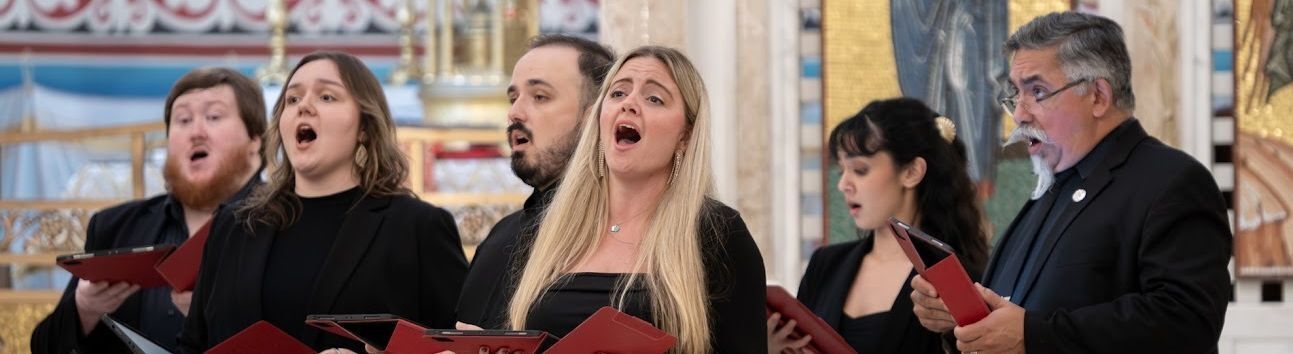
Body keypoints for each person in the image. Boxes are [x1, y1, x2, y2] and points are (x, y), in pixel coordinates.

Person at [910, 12, 1232, 354]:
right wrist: (962, 318)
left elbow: (1186, 323)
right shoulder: (1049, 190)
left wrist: (1033, 335)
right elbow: (1011, 319)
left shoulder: (1171, 182)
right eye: (1016, 94)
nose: (1019, 114)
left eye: (1037, 91)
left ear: (1098, 97)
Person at [177, 51, 467, 353]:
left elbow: (458, 347)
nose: (304, 106)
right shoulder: (234, 224)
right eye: (292, 99)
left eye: (327, 97)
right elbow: (192, 344)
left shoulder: (418, 228)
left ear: (365, 127)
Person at [504, 45, 766, 353]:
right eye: (617, 93)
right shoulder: (552, 224)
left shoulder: (718, 232)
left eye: (654, 98)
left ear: (685, 135)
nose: (629, 104)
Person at [31, 67, 266, 353]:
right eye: (183, 120)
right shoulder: (116, 227)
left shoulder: (289, 225)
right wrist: (85, 309)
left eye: (214, 116)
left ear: (255, 141)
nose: (196, 132)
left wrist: (218, 318)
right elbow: (44, 347)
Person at [769, 98, 990, 354]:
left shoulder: (956, 276)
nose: (843, 184)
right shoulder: (825, 264)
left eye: (860, 170)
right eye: (841, 170)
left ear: (911, 172)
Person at [456, 34, 614, 330]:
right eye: (513, 98)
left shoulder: (620, 233)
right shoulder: (501, 235)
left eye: (540, 97)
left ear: (594, 117)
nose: (514, 113)